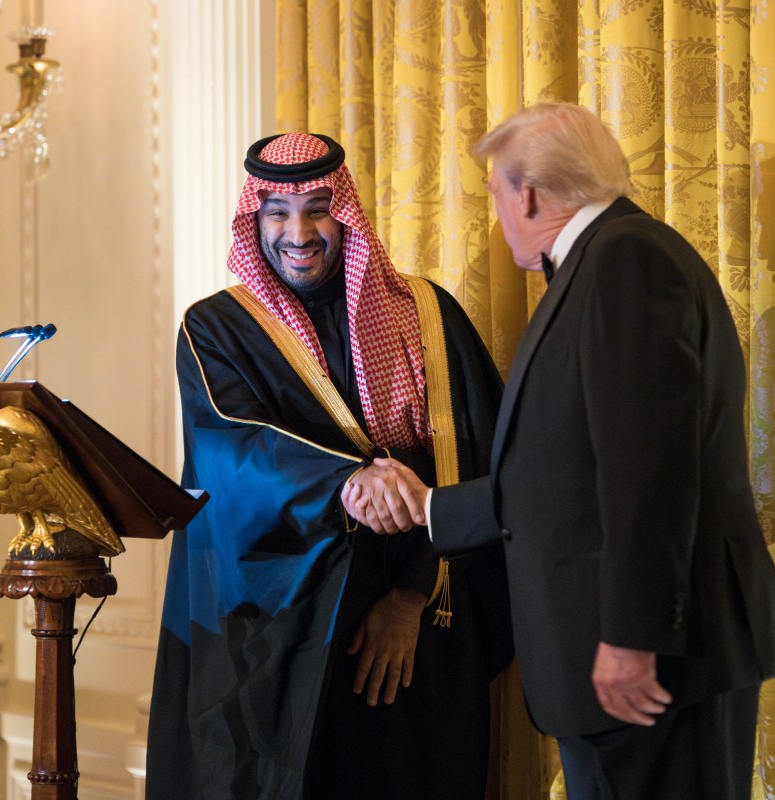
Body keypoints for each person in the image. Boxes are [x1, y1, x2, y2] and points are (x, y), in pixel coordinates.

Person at [343, 103, 775, 799]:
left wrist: (633, 637)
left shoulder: (626, 260)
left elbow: (651, 470)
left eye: (496, 193)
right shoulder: (602, 262)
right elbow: (562, 475)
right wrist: (430, 507)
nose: (499, 213)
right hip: (625, 663)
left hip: (652, 664)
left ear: (527, 194)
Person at [146, 132, 513, 800]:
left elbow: (480, 460)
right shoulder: (218, 329)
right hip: (288, 634)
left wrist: (409, 596)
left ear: (343, 214)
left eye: (317, 209)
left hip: (422, 620)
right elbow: (233, 452)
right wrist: (347, 481)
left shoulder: (427, 315)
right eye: (278, 214)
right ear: (255, 219)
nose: (299, 233)